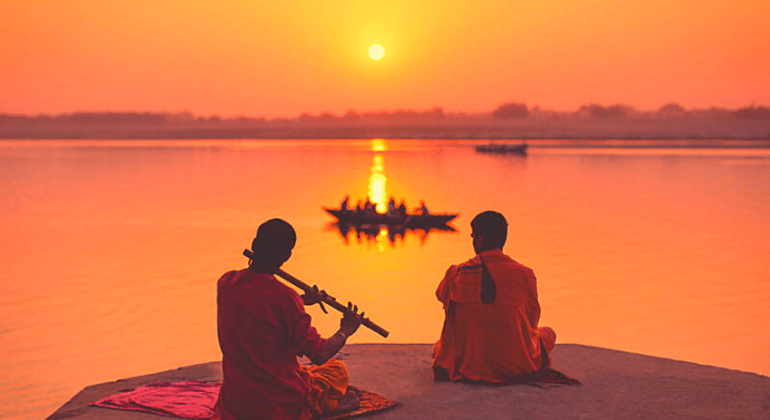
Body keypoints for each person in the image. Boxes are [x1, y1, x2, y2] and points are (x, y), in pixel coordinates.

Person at [213, 219, 365, 420]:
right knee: (336, 370)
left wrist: (302, 301)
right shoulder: (285, 297)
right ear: (286, 255)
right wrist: (346, 329)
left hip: (236, 402)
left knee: (310, 372)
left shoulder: (227, 282)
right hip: (278, 405)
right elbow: (319, 353)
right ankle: (324, 404)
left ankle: (325, 400)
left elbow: (260, 308)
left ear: (254, 245)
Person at [432, 211, 556, 383]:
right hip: (515, 365)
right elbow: (532, 318)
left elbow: (441, 296)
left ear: (479, 240)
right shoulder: (525, 274)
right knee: (548, 334)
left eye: (473, 237)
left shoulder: (456, 273)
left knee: (440, 347)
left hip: (469, 365)